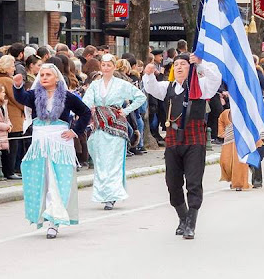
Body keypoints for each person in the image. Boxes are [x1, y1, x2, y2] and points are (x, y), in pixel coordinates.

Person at [142, 53, 221, 239]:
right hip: (173, 141)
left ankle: (191, 224)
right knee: (172, 183)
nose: (178, 67)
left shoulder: (200, 86)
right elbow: (151, 87)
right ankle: (183, 218)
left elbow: (215, 78)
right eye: (176, 64)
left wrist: (200, 64)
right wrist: (149, 73)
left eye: (183, 64)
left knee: (193, 183)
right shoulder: (167, 87)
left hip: (194, 140)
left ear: (190, 67)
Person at [12, 64, 91, 239]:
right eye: (42, 75)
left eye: (48, 74)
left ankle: (55, 220)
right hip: (40, 144)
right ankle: (47, 217)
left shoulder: (68, 96)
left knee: (58, 180)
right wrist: (17, 86)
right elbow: (22, 97)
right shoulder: (35, 95)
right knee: (43, 180)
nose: (44, 77)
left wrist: (75, 131)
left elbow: (85, 112)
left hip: (60, 144)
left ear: (56, 77)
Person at [82, 54, 146, 210]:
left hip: (116, 125)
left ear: (114, 67)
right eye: (103, 65)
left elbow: (140, 97)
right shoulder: (95, 85)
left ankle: (112, 195)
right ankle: (103, 194)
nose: (105, 68)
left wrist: (126, 110)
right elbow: (86, 101)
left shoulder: (121, 84)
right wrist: (87, 110)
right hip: (99, 125)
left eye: (109, 65)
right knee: (101, 161)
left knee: (113, 161)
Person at [0, 55, 23, 180]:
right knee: (13, 144)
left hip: (5, 114)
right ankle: (10, 171)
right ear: (6, 67)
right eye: (12, 66)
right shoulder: (8, 81)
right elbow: (17, 98)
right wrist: (25, 107)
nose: (14, 69)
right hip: (13, 115)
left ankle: (8, 170)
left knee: (8, 145)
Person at [218, 108, 250, 191]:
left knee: (239, 163)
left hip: (241, 140)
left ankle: (238, 184)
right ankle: (232, 179)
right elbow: (220, 121)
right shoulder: (225, 113)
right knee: (225, 162)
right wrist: (222, 132)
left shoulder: (245, 112)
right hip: (228, 139)